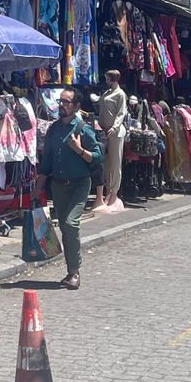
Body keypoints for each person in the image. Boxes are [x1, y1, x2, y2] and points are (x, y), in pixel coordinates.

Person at [34, 87, 102, 290]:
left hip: (79, 185)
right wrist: (38, 186)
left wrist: (80, 150)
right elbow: (46, 161)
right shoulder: (54, 129)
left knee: (71, 224)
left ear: (77, 106)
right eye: (60, 101)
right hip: (58, 187)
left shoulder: (83, 129)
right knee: (64, 226)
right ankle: (70, 270)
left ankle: (75, 272)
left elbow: (98, 158)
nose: (61, 105)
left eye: (66, 102)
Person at [92, 69, 128, 213]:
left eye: (107, 77)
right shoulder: (106, 93)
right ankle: (108, 191)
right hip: (104, 131)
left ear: (112, 78)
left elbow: (121, 112)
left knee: (115, 163)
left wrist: (115, 127)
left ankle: (114, 193)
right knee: (106, 163)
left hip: (115, 132)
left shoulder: (120, 94)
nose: (105, 79)